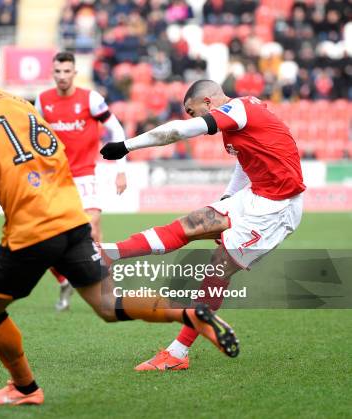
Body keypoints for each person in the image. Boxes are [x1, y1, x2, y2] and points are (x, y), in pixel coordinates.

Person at [0, 35, 238, 406]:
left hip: (31, 227)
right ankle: (189, 312)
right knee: (107, 304)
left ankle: (24, 389)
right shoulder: (23, 104)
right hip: (71, 213)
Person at [100, 79, 304, 371]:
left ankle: (178, 353)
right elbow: (243, 163)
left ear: (207, 103)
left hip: (277, 207)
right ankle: (108, 254)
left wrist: (127, 145)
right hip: (254, 194)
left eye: (193, 111)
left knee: (218, 266)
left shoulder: (238, 110)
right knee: (190, 224)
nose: (193, 118)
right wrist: (227, 201)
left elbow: (179, 131)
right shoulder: (240, 118)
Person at [35, 51, 128, 311]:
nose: (62, 76)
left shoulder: (91, 99)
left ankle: (106, 285)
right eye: (58, 71)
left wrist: (121, 168)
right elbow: (34, 136)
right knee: (45, 237)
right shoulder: (42, 102)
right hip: (55, 178)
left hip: (86, 174)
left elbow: (116, 129)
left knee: (92, 226)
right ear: (52, 73)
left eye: (67, 71)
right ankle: (64, 279)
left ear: (75, 73)